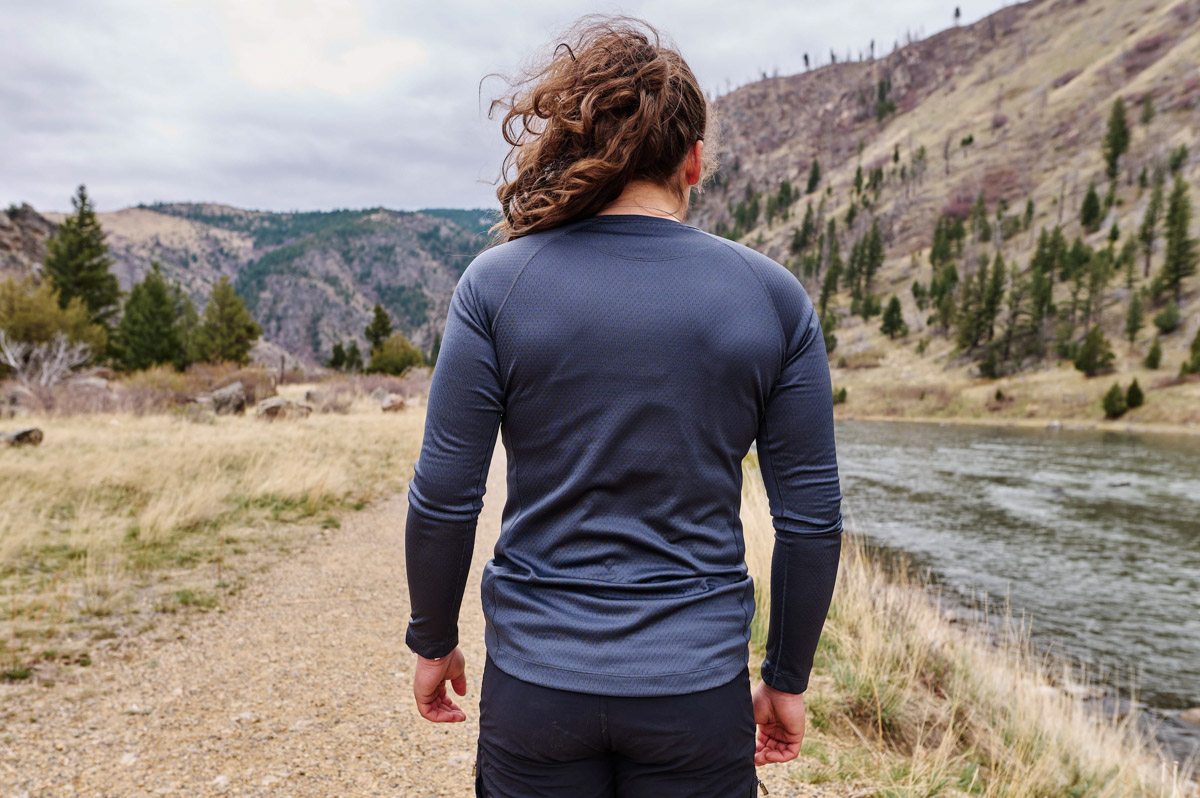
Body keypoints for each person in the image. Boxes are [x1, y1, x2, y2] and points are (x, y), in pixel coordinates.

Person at [404, 14, 842, 798]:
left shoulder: (495, 286)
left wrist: (432, 640)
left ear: (577, 146)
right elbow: (809, 519)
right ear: (694, 160)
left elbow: (445, 495)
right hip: (696, 692)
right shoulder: (772, 298)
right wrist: (786, 678)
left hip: (536, 688)